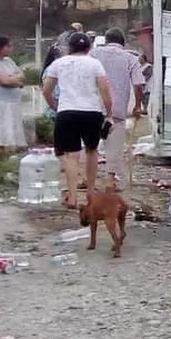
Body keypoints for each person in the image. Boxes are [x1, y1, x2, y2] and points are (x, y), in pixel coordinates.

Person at [42, 32, 112, 208]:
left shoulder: (58, 64)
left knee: (71, 155)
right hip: (91, 111)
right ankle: (90, 193)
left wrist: (55, 107)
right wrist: (108, 113)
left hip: (67, 111)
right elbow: (104, 90)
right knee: (91, 151)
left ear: (69, 47)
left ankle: (72, 196)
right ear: (89, 47)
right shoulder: (95, 63)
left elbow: (46, 90)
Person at [91, 28, 144, 189]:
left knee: (90, 144)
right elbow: (138, 83)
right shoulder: (130, 58)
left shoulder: (93, 54)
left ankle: (86, 178)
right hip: (117, 109)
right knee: (114, 143)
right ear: (123, 43)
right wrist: (137, 105)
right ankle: (109, 178)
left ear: (106, 41)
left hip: (92, 106)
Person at [0, 36, 28, 155]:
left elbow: (22, 75)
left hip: (12, 103)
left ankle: (6, 156)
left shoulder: (9, 61)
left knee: (8, 131)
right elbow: (4, 81)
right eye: (7, 46)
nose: (10, 49)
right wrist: (15, 81)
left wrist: (13, 80)